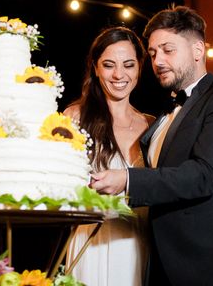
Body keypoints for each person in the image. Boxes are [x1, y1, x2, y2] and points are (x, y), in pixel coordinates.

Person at [91, 6, 213, 286]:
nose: (158, 61)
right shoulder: (161, 117)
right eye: (153, 54)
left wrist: (127, 179)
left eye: (168, 50)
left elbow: (205, 174)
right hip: (162, 261)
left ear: (198, 50)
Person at [65, 26, 154, 286]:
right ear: (95, 67)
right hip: (92, 241)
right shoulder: (74, 118)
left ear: (139, 67)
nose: (119, 75)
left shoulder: (152, 125)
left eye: (128, 65)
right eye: (108, 65)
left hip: (140, 243)